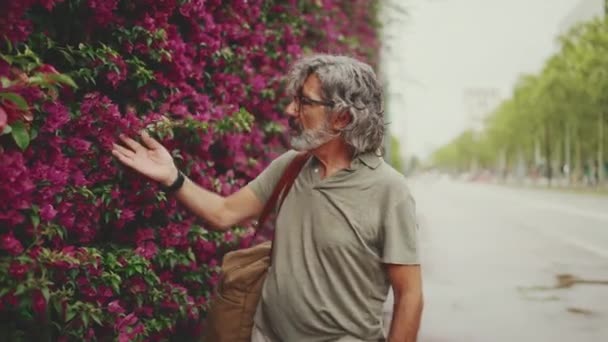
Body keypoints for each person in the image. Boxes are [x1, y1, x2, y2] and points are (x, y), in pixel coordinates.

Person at [112, 54, 423, 342]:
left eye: (304, 102)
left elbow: (409, 295)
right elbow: (224, 212)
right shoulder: (292, 165)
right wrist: (172, 177)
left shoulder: (388, 190)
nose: (291, 111)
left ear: (341, 117)